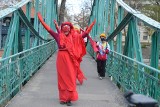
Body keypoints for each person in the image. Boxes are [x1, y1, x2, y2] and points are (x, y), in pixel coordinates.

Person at [37, 12, 96, 106]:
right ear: (62, 30)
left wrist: (91, 25)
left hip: (70, 59)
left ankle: (69, 99)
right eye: (64, 30)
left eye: (67, 30)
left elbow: (85, 34)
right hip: (61, 59)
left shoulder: (74, 37)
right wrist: (41, 21)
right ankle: (63, 98)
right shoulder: (58, 36)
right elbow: (49, 30)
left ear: (70, 30)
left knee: (71, 78)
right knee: (61, 79)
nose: (66, 32)